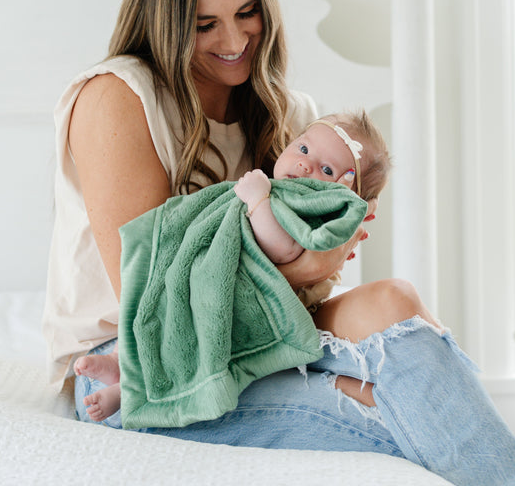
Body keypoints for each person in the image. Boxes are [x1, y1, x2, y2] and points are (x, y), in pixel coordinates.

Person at [42, 0, 515, 486]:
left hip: (258, 335)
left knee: (395, 302)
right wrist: (306, 267)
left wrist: (325, 255)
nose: (234, 40)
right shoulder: (118, 99)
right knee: (413, 407)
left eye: (248, 12)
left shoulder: (296, 120)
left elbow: (314, 278)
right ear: (164, 21)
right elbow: (154, 305)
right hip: (140, 364)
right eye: (205, 25)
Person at [73, 110, 390, 422]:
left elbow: (282, 249)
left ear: (343, 191)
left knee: (187, 334)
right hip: (215, 277)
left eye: (326, 169)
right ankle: (120, 362)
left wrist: (257, 202)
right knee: (165, 309)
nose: (305, 163)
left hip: (245, 304)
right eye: (303, 149)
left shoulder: (305, 208)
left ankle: (126, 391)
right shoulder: (279, 191)